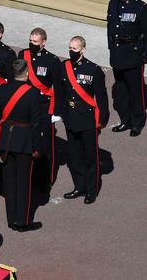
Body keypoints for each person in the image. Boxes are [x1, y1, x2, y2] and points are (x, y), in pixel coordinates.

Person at [56, 36, 109, 204]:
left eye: (75, 49)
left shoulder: (93, 70)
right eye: (70, 48)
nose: (72, 51)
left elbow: (101, 97)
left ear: (83, 49)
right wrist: (61, 113)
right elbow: (59, 92)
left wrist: (102, 119)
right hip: (70, 117)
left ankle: (91, 191)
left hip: (87, 119)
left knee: (90, 157)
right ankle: (79, 186)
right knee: (75, 156)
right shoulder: (63, 67)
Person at [0, 59, 43, 231]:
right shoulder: (33, 93)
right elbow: (37, 124)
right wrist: (37, 147)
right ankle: (22, 221)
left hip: (5, 140)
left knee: (9, 182)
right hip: (24, 142)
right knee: (23, 183)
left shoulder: (0, 91)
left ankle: (11, 219)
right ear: (27, 73)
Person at [107, 0, 147, 136]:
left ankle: (137, 122)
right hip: (117, 54)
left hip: (133, 55)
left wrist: (146, 55)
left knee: (136, 92)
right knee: (121, 92)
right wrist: (111, 49)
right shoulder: (113, 3)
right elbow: (110, 29)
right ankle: (125, 121)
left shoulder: (141, 8)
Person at [19, 27, 61, 187]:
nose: (32, 44)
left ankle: (46, 180)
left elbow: (58, 86)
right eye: (30, 41)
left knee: (46, 145)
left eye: (35, 42)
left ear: (43, 42)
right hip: (26, 104)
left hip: (44, 107)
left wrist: (56, 111)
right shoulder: (22, 55)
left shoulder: (52, 60)